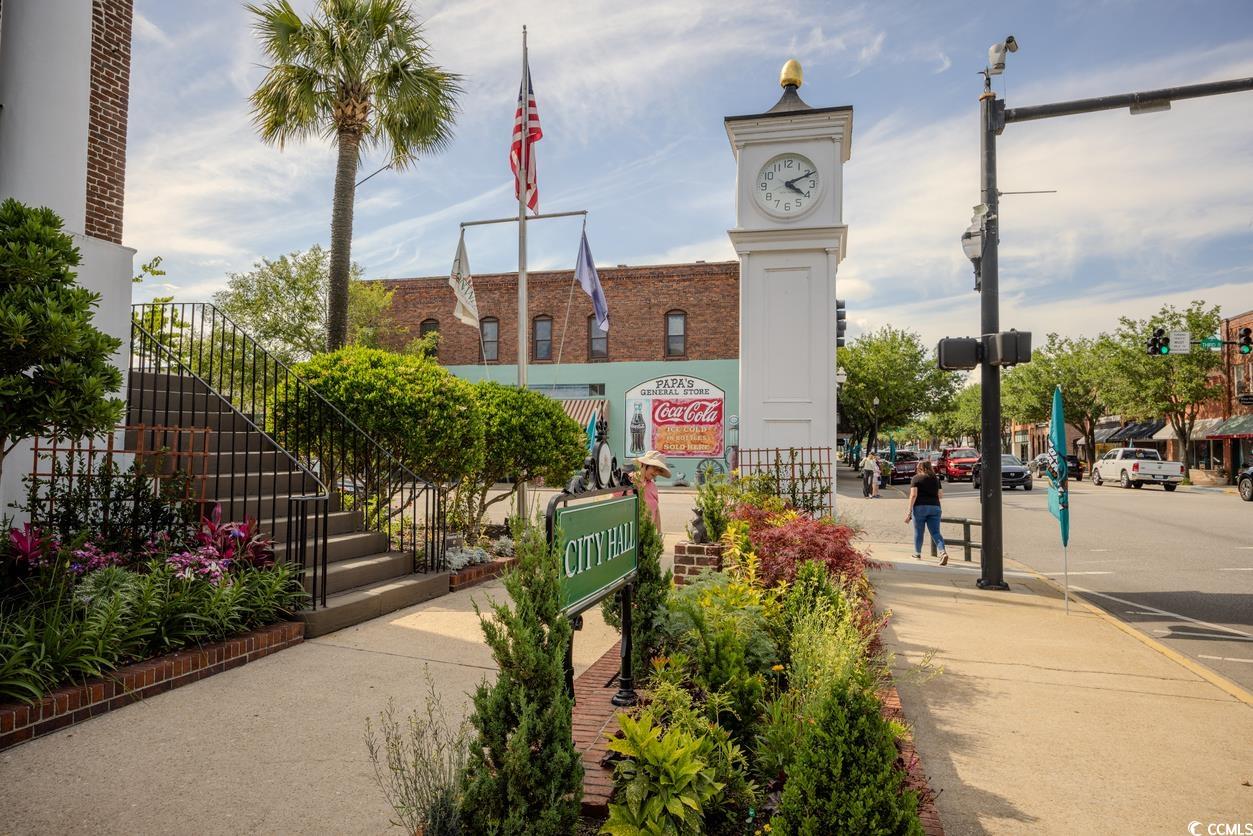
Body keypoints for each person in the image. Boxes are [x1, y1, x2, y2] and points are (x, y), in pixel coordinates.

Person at [905, 460, 949, 565]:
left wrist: (909, 511)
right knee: (935, 532)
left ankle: (917, 553)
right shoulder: (936, 479)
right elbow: (940, 495)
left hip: (920, 507)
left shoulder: (916, 478)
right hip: (935, 507)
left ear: (920, 468)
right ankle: (943, 552)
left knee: (919, 532)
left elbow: (913, 495)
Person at [633, 450, 669, 530]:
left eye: (659, 470)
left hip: (648, 534)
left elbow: (656, 511)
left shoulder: (652, 486)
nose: (656, 473)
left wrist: (659, 533)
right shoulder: (630, 481)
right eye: (654, 468)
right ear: (645, 465)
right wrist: (641, 480)